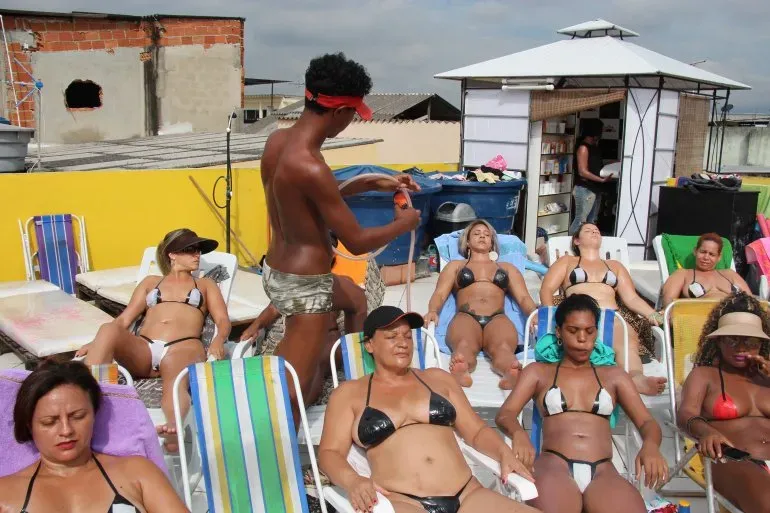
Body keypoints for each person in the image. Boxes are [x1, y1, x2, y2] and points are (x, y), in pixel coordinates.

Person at [260, 52, 421, 424]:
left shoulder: (279, 142)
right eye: (353, 114)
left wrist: (377, 181)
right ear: (339, 112)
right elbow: (359, 241)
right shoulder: (311, 165)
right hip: (306, 286)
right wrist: (404, 223)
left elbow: (312, 195)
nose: (351, 122)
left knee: (354, 298)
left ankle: (352, 378)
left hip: (280, 270)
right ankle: (285, 457)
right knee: (293, 389)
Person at [318, 306, 538, 513]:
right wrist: (353, 481)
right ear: (369, 345)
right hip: (403, 501)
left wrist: (503, 452)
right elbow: (330, 453)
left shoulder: (438, 379)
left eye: (407, 336)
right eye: (391, 337)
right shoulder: (349, 394)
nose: (403, 343)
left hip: (468, 495)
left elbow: (476, 431)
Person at [495, 294, 668, 513]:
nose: (582, 338)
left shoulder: (614, 376)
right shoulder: (539, 372)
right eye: (573, 330)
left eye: (589, 331)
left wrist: (651, 445)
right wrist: (519, 434)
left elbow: (646, 422)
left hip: (603, 470)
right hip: (554, 466)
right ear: (559, 331)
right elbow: (505, 414)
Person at [78, 228, 230, 451]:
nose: (197, 255)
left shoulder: (206, 285)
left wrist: (218, 341)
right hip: (144, 349)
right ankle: (88, 405)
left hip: (183, 346)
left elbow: (223, 320)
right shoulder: (151, 283)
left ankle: (173, 429)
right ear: (172, 254)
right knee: (107, 329)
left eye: (198, 250)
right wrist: (97, 342)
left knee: (175, 383)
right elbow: (124, 320)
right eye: (190, 250)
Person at [0, 360, 188, 513]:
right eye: (50, 422)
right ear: (29, 426)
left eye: (78, 416)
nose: (66, 430)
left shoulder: (136, 473)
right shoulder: (5, 494)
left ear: (94, 414)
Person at [540, 223, 667, 396]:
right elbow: (547, 289)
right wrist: (550, 317)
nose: (594, 231)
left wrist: (653, 315)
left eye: (597, 231)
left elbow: (631, 298)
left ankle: (637, 378)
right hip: (579, 316)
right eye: (588, 230)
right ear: (576, 240)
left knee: (627, 342)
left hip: (611, 316)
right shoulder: (568, 262)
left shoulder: (614, 265)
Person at [676, 292, 770, 512]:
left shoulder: (766, 378)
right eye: (732, 339)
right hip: (735, 460)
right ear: (718, 341)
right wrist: (706, 431)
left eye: (750, 341)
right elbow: (685, 414)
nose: (741, 348)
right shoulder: (704, 375)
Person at [424, 220, 537, 389]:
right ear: (467, 242)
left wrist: (533, 313)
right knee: (463, 345)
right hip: (466, 316)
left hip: (498, 318)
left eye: (486, 234)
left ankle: (510, 371)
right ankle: (462, 368)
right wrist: (433, 311)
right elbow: (440, 294)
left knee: (504, 348)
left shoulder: (507, 268)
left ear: (492, 242)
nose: (482, 236)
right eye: (476, 234)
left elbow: (523, 298)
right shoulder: (456, 266)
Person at [240, 273, 367, 403]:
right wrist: (255, 325)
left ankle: (298, 405)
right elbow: (274, 308)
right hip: (302, 340)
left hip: (329, 337)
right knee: (293, 366)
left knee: (317, 363)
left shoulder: (341, 282)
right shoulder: (296, 284)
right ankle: (284, 404)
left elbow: (357, 305)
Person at [661, 232, 750, 308]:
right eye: (703, 252)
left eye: (712, 254)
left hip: (734, 315)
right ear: (695, 251)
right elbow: (668, 303)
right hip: (700, 319)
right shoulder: (683, 274)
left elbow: (751, 301)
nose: (706, 257)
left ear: (719, 257)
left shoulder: (729, 274)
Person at [570, 119, 615, 235]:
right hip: (584, 189)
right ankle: (570, 245)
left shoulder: (594, 147)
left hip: (595, 189)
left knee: (591, 222)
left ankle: (585, 245)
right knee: (581, 221)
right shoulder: (583, 148)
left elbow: (595, 167)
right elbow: (582, 172)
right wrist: (601, 180)